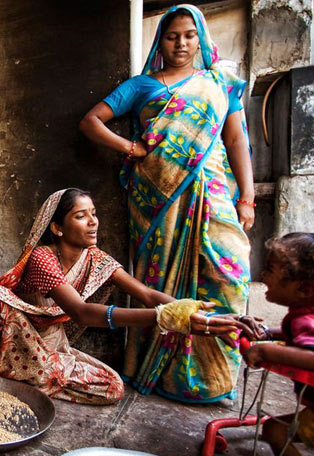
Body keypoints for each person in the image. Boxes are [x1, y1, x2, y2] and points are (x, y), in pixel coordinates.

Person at [78, 4, 255, 402]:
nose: (181, 43)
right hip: (157, 200)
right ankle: (159, 372)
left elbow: (237, 140)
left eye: (189, 35)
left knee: (228, 276)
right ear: (161, 40)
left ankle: (214, 379)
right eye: (172, 35)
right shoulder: (142, 85)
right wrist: (130, 147)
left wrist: (247, 197)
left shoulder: (219, 83)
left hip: (212, 192)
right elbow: (91, 121)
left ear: (201, 39)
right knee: (159, 283)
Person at [0, 188, 249, 404]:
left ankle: (31, 379)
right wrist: (161, 319)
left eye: (94, 214)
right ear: (57, 228)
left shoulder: (96, 258)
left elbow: (145, 293)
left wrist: (198, 313)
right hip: (18, 336)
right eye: (81, 216)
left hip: (51, 344)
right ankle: (7, 373)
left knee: (113, 387)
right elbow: (83, 312)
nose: (93, 221)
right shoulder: (43, 258)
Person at [243, 226, 314, 456]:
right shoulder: (313, 316)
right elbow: (301, 339)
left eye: (269, 270)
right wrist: (269, 334)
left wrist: (265, 350)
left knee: (274, 431)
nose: (263, 275)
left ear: (305, 289)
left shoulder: (306, 320)